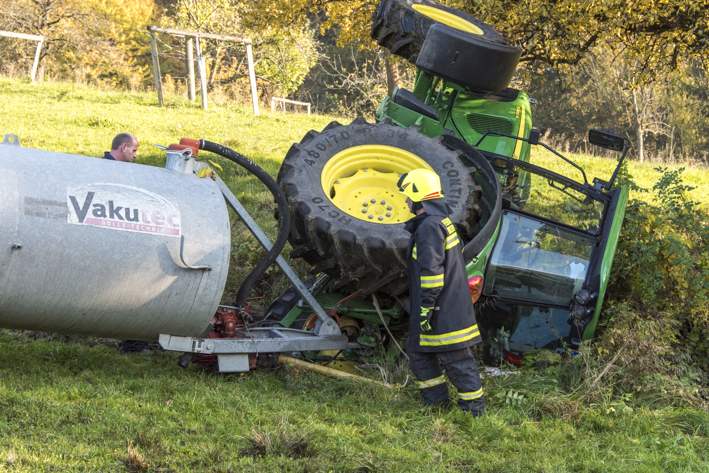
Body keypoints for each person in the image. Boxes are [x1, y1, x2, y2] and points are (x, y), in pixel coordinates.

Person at [397, 168, 485, 416]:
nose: (405, 200)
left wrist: (426, 309)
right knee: (418, 351)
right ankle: (436, 404)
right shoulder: (439, 222)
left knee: (457, 361)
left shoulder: (429, 227)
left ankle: (473, 412)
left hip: (441, 310)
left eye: (407, 195)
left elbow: (433, 275)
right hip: (444, 307)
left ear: (417, 196)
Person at [103, 133, 151, 355]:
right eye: (134, 150)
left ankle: (135, 344)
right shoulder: (104, 171)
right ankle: (133, 346)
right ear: (123, 147)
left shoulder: (116, 171)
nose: (136, 155)